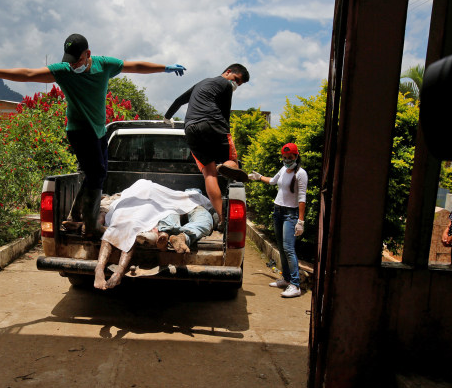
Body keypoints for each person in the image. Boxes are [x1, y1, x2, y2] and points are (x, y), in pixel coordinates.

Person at [0, 34, 186, 238]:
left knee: (98, 172)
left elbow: (135, 66)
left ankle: (76, 213)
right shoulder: (63, 71)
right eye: (71, 62)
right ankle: (91, 225)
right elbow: (28, 74)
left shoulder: (104, 65)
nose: (74, 65)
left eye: (77, 61)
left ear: (88, 54)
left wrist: (165, 68)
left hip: (99, 130)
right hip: (79, 130)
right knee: (97, 173)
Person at [163, 64, 250, 227]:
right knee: (233, 160)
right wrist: (225, 134)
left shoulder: (200, 84)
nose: (236, 85)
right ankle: (228, 166)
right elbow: (225, 113)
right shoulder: (225, 84)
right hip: (213, 123)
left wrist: (167, 117)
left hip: (190, 128)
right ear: (228, 72)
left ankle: (222, 218)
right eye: (237, 80)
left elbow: (179, 100)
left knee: (209, 174)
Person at [93, 180, 214, 290]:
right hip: (137, 196)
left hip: (145, 198)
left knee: (129, 226)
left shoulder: (155, 191)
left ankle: (114, 271)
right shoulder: (141, 189)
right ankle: (104, 269)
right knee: (123, 225)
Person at [248, 143, 308, 298]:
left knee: (289, 248)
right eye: (285, 157)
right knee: (281, 248)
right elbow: (273, 181)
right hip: (278, 211)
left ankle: (295, 285)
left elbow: (302, 199)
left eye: (290, 157)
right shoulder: (283, 169)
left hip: (290, 214)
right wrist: (259, 177)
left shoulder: (301, 174)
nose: (287, 160)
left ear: (296, 156)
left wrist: (300, 221)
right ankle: (286, 279)